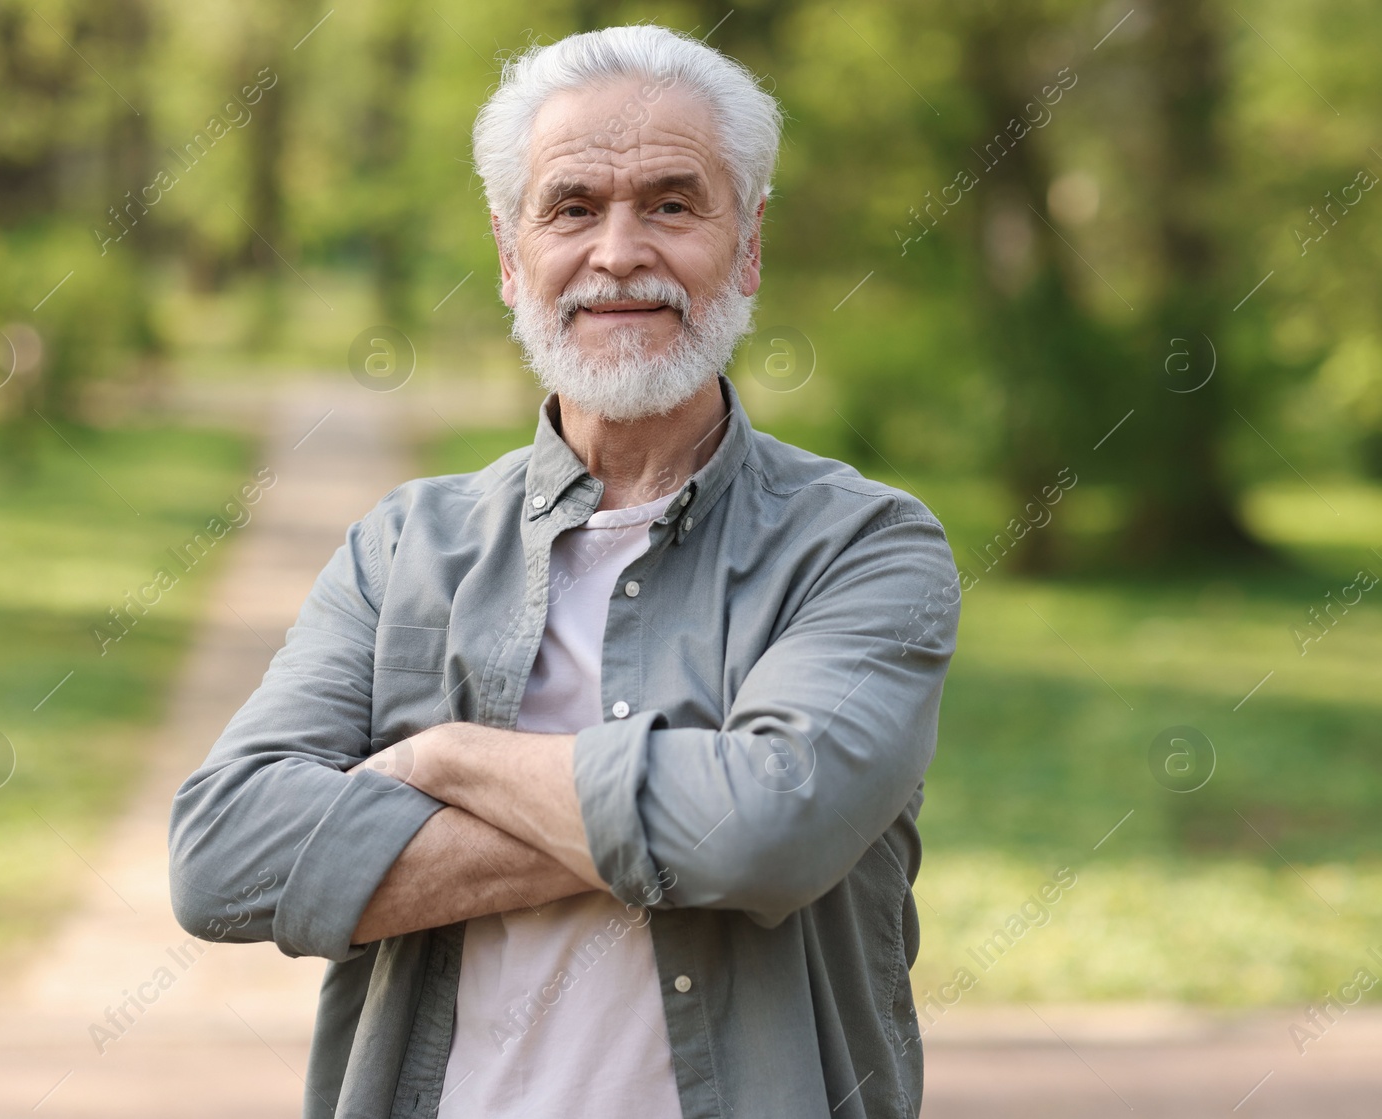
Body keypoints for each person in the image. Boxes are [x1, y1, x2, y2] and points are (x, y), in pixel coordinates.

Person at [169, 23, 960, 1119]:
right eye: (573, 207)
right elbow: (221, 857)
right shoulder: (403, 548)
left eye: (673, 204)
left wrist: (443, 757)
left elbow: (763, 834)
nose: (620, 252)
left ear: (748, 244)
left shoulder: (862, 548)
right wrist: (685, 812)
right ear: (509, 254)